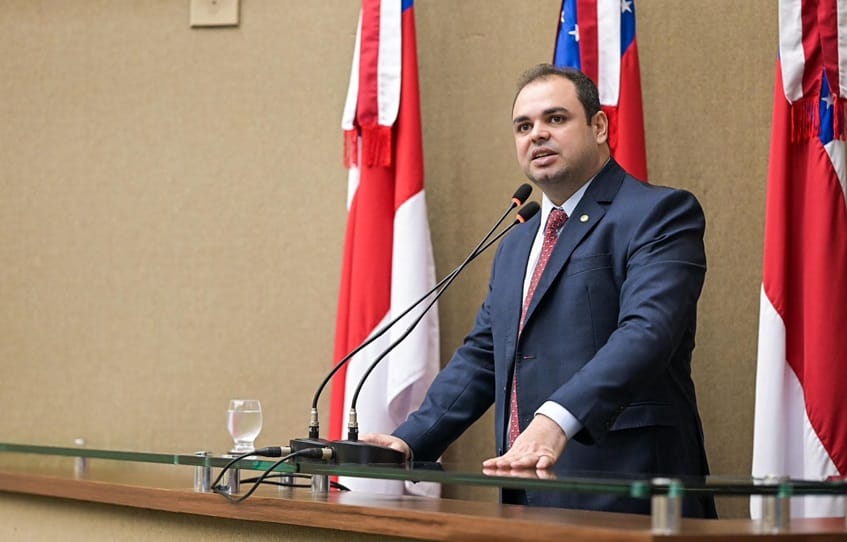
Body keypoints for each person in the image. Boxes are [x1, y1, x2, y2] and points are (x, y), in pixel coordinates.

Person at [363, 63, 717, 518]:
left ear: (599, 125)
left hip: (630, 494)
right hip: (525, 495)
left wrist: (556, 418)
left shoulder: (659, 213)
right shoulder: (517, 243)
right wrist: (410, 439)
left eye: (556, 119)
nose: (537, 135)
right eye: (524, 126)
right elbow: (483, 355)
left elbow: (648, 333)